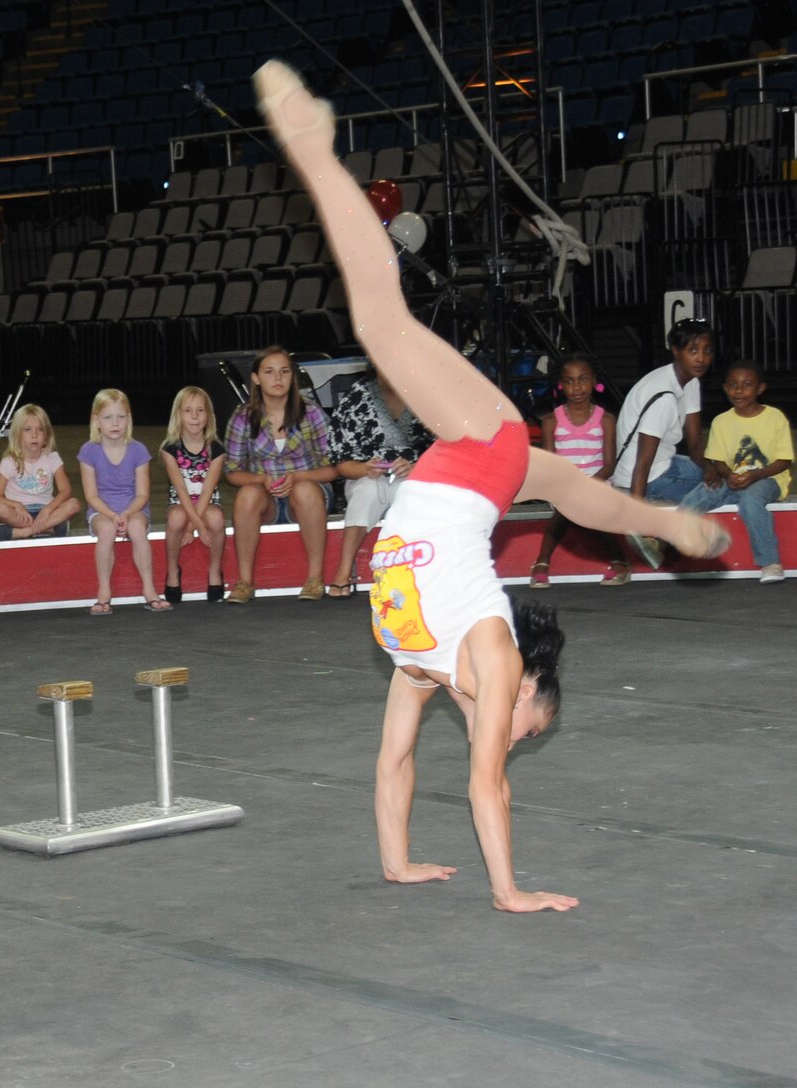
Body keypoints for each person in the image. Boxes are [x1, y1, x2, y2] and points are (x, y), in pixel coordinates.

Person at [256, 57, 728, 913]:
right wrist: (510, 891)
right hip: (481, 454)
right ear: (529, 693)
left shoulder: (422, 663)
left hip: (465, 478)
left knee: (573, 491)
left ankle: (664, 521)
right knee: (381, 323)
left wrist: (397, 861)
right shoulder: (494, 655)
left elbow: (394, 760)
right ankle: (314, 150)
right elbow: (487, 788)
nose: (513, 737)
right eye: (527, 727)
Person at [222, 346, 336, 601]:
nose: (277, 378)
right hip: (266, 495)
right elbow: (232, 472)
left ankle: (315, 579)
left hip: (309, 493)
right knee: (247, 495)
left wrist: (297, 478)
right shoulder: (242, 417)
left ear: (292, 377)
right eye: (269, 372)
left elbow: (332, 468)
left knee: (304, 490)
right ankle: (244, 582)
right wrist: (262, 479)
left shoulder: (312, 413)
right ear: (256, 378)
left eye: (284, 372)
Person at [610, 318, 714, 569]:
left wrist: (711, 468)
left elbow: (695, 442)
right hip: (647, 478)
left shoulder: (689, 382)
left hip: (664, 464)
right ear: (675, 351)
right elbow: (642, 462)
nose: (701, 358)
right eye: (693, 350)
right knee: (725, 487)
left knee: (720, 475)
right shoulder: (664, 397)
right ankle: (671, 534)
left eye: (707, 350)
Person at [678, 360, 790, 583]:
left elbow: (784, 460)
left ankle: (770, 562)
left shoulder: (774, 417)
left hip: (768, 478)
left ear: (760, 388)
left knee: (750, 501)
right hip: (733, 478)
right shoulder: (721, 421)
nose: (739, 390)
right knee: (696, 497)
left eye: (747, 384)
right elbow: (718, 460)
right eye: (732, 384)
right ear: (725, 388)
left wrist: (755, 476)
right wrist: (728, 475)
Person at [326, 370, 433, 598]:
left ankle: (417, 575)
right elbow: (340, 463)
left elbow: (445, 454)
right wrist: (365, 468)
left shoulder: (426, 398)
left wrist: (416, 467)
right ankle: (343, 571)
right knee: (368, 490)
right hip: (364, 476)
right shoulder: (355, 398)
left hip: (414, 476)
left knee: (409, 491)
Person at [531, 357, 621, 587]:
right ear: (561, 385)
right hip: (563, 485)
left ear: (594, 382)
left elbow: (610, 464)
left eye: (583, 380)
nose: (577, 387)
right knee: (567, 504)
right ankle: (541, 563)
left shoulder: (607, 419)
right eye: (569, 381)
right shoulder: (551, 420)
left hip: (598, 482)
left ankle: (619, 562)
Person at [77, 388, 165, 614]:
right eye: (108, 417)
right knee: (106, 530)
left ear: (129, 419)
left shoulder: (138, 450)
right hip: (102, 510)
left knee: (136, 527)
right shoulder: (89, 451)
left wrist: (126, 513)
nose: (115, 423)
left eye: (121, 417)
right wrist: (111, 515)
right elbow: (91, 496)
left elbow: (143, 494)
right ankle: (104, 592)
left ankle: (150, 589)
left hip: (134, 508)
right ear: (96, 421)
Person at [159, 386, 228, 604]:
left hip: (207, 501)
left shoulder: (215, 449)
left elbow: (207, 489)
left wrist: (194, 525)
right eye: (188, 411)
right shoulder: (169, 449)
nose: (195, 416)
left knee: (216, 518)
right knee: (176, 517)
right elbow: (180, 489)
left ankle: (215, 569)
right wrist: (193, 523)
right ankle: (172, 571)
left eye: (200, 410)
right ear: (178, 415)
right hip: (181, 501)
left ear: (209, 415)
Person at [0, 404, 80, 540]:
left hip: (46, 511)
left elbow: (65, 491)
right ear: (17, 434)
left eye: (40, 430)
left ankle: (24, 532)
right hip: (21, 515)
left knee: (74, 504)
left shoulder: (52, 458)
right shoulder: (9, 461)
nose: (34, 435)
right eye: (27, 430)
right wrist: (17, 505)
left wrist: (48, 510)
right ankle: (49, 529)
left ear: (46, 435)